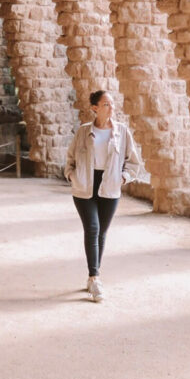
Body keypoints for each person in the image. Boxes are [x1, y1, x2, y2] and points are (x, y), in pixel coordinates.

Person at [64, 90, 141, 302]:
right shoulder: (83, 131)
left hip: (110, 186)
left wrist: (123, 178)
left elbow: (133, 162)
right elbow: (70, 157)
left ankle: (93, 275)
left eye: (112, 104)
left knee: (102, 233)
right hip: (84, 186)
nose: (111, 108)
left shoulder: (122, 132)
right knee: (93, 228)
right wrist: (72, 176)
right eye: (106, 104)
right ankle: (94, 277)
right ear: (95, 108)